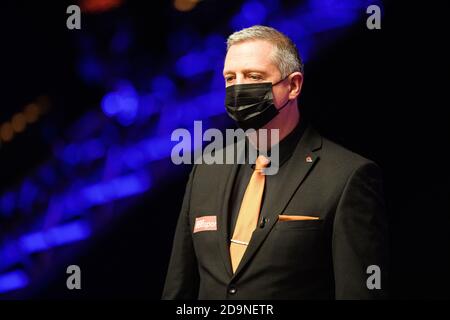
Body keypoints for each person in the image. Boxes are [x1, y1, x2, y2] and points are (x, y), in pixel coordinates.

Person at [162, 25, 388, 299]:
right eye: (230, 78)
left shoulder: (346, 176)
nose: (238, 88)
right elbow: (178, 287)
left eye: (253, 76)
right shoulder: (207, 169)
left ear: (293, 85)